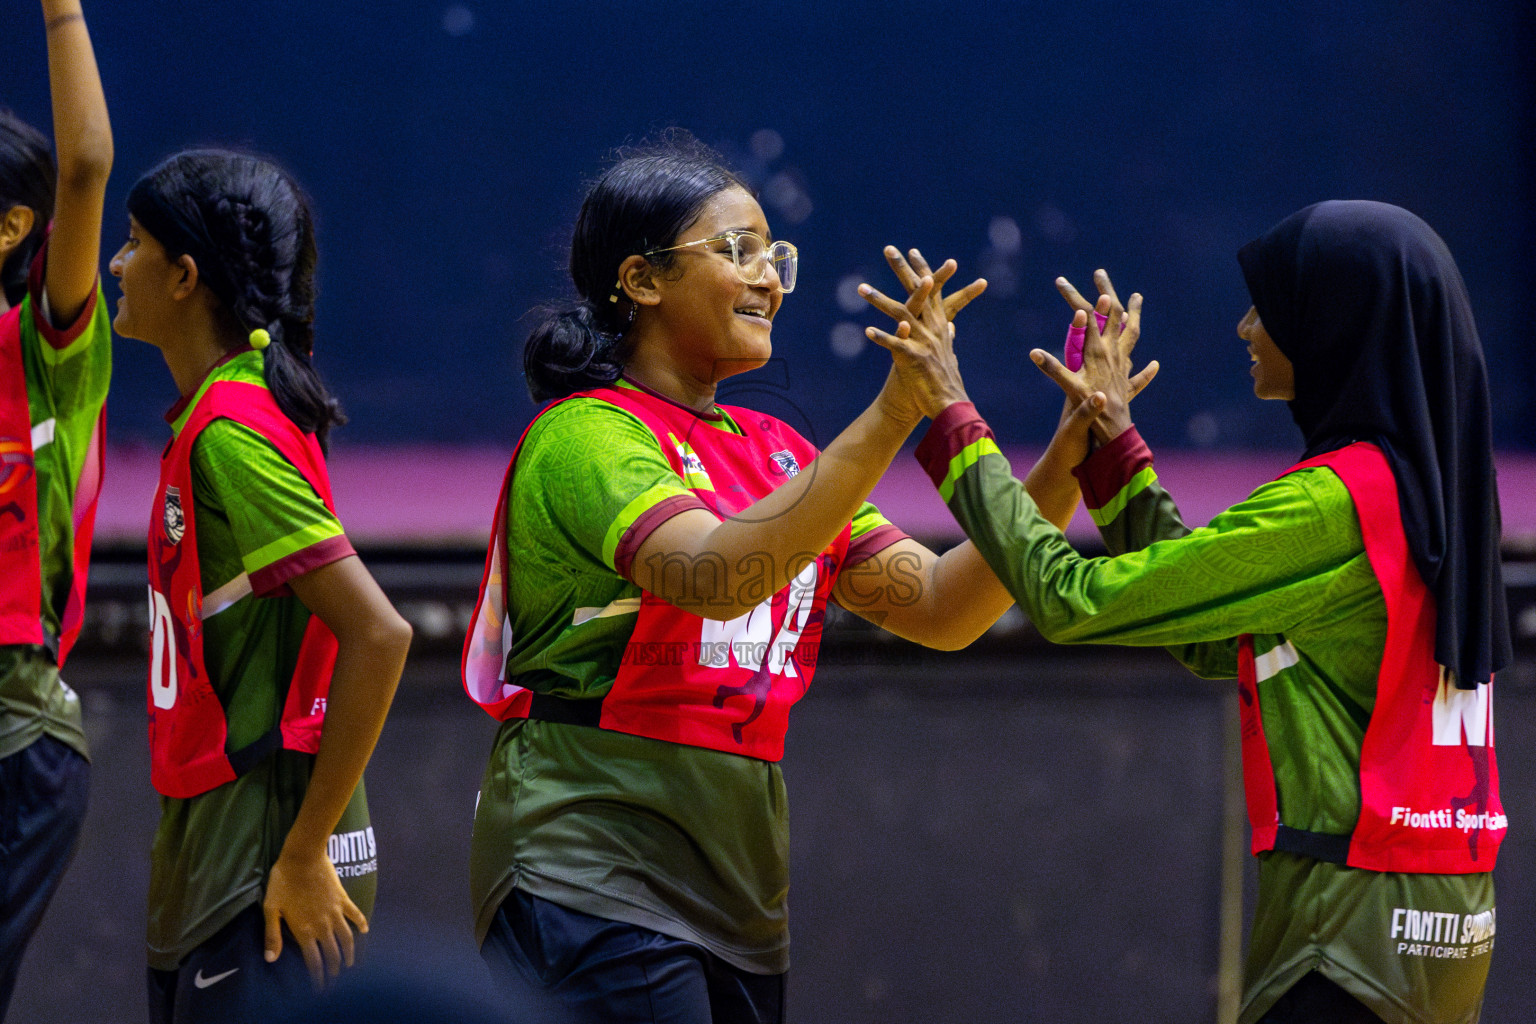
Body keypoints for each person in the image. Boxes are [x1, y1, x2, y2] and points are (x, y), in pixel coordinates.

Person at [460, 136, 1120, 1023]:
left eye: (775, 254)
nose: (769, 277)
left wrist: (1075, 447)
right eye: (737, 250)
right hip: (587, 865)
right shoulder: (584, 436)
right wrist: (896, 410)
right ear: (642, 279)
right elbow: (714, 577)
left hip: (737, 889)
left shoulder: (777, 454)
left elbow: (944, 606)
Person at [864, 200, 1507, 1024]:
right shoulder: (1429, 493)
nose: (1246, 328)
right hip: (1449, 932)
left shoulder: (1331, 504)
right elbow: (1215, 640)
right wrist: (1111, 439)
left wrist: (953, 413)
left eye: (1268, 308)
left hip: (1344, 940)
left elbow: (1070, 600)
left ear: (1332, 325)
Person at [108, 149, 413, 1023]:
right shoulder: (224, 409)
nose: (117, 265)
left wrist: (305, 854)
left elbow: (380, 634)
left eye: (134, 243)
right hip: (216, 854)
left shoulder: (234, 429)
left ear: (184, 277)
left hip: (267, 866)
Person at [0, 1, 112, 1016]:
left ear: (11, 227)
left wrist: (60, 10)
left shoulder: (41, 349)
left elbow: (84, 168)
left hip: (14, 743)